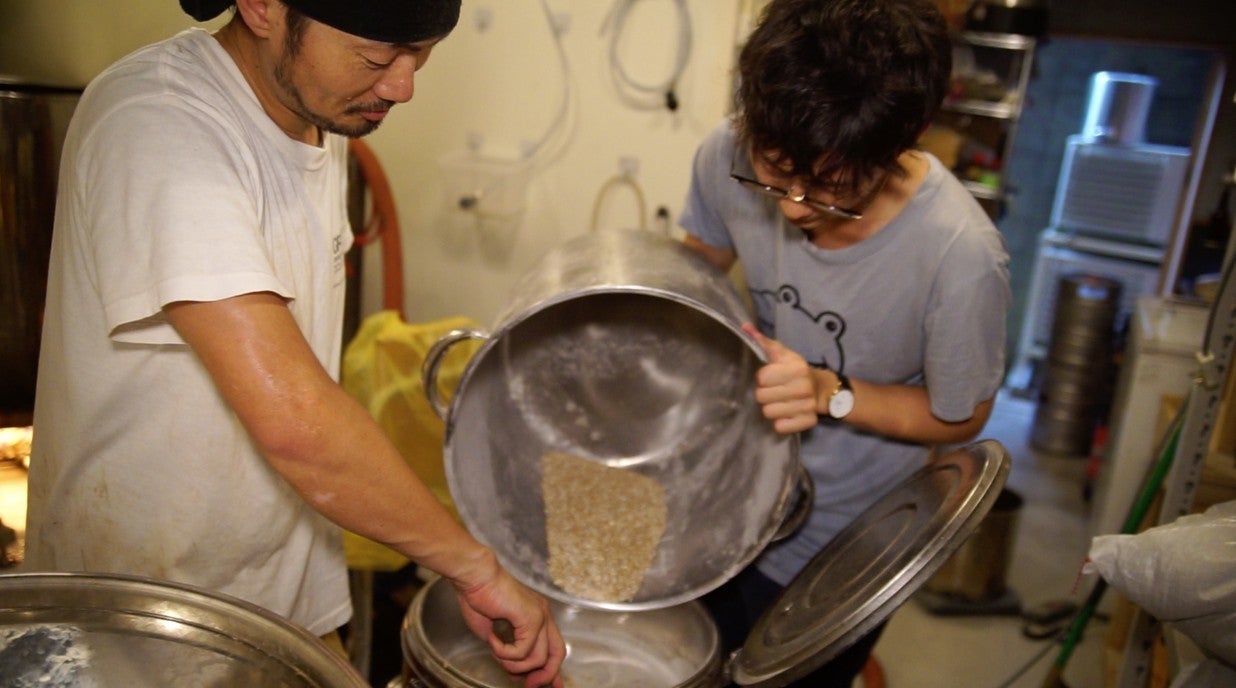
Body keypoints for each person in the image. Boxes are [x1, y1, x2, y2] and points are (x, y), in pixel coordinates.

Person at [23, 1, 565, 686]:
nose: (402, 86)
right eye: (375, 58)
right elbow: (295, 420)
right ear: (262, 7)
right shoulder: (158, 123)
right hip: (141, 623)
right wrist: (474, 566)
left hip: (277, 600)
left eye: (422, 55)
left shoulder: (316, 112)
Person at [678, 0, 1010, 685]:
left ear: (897, 146)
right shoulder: (726, 153)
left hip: (845, 541)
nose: (792, 206)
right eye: (774, 173)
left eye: (829, 188)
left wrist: (829, 392)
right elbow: (696, 271)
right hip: (728, 499)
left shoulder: (961, 255)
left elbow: (961, 415)